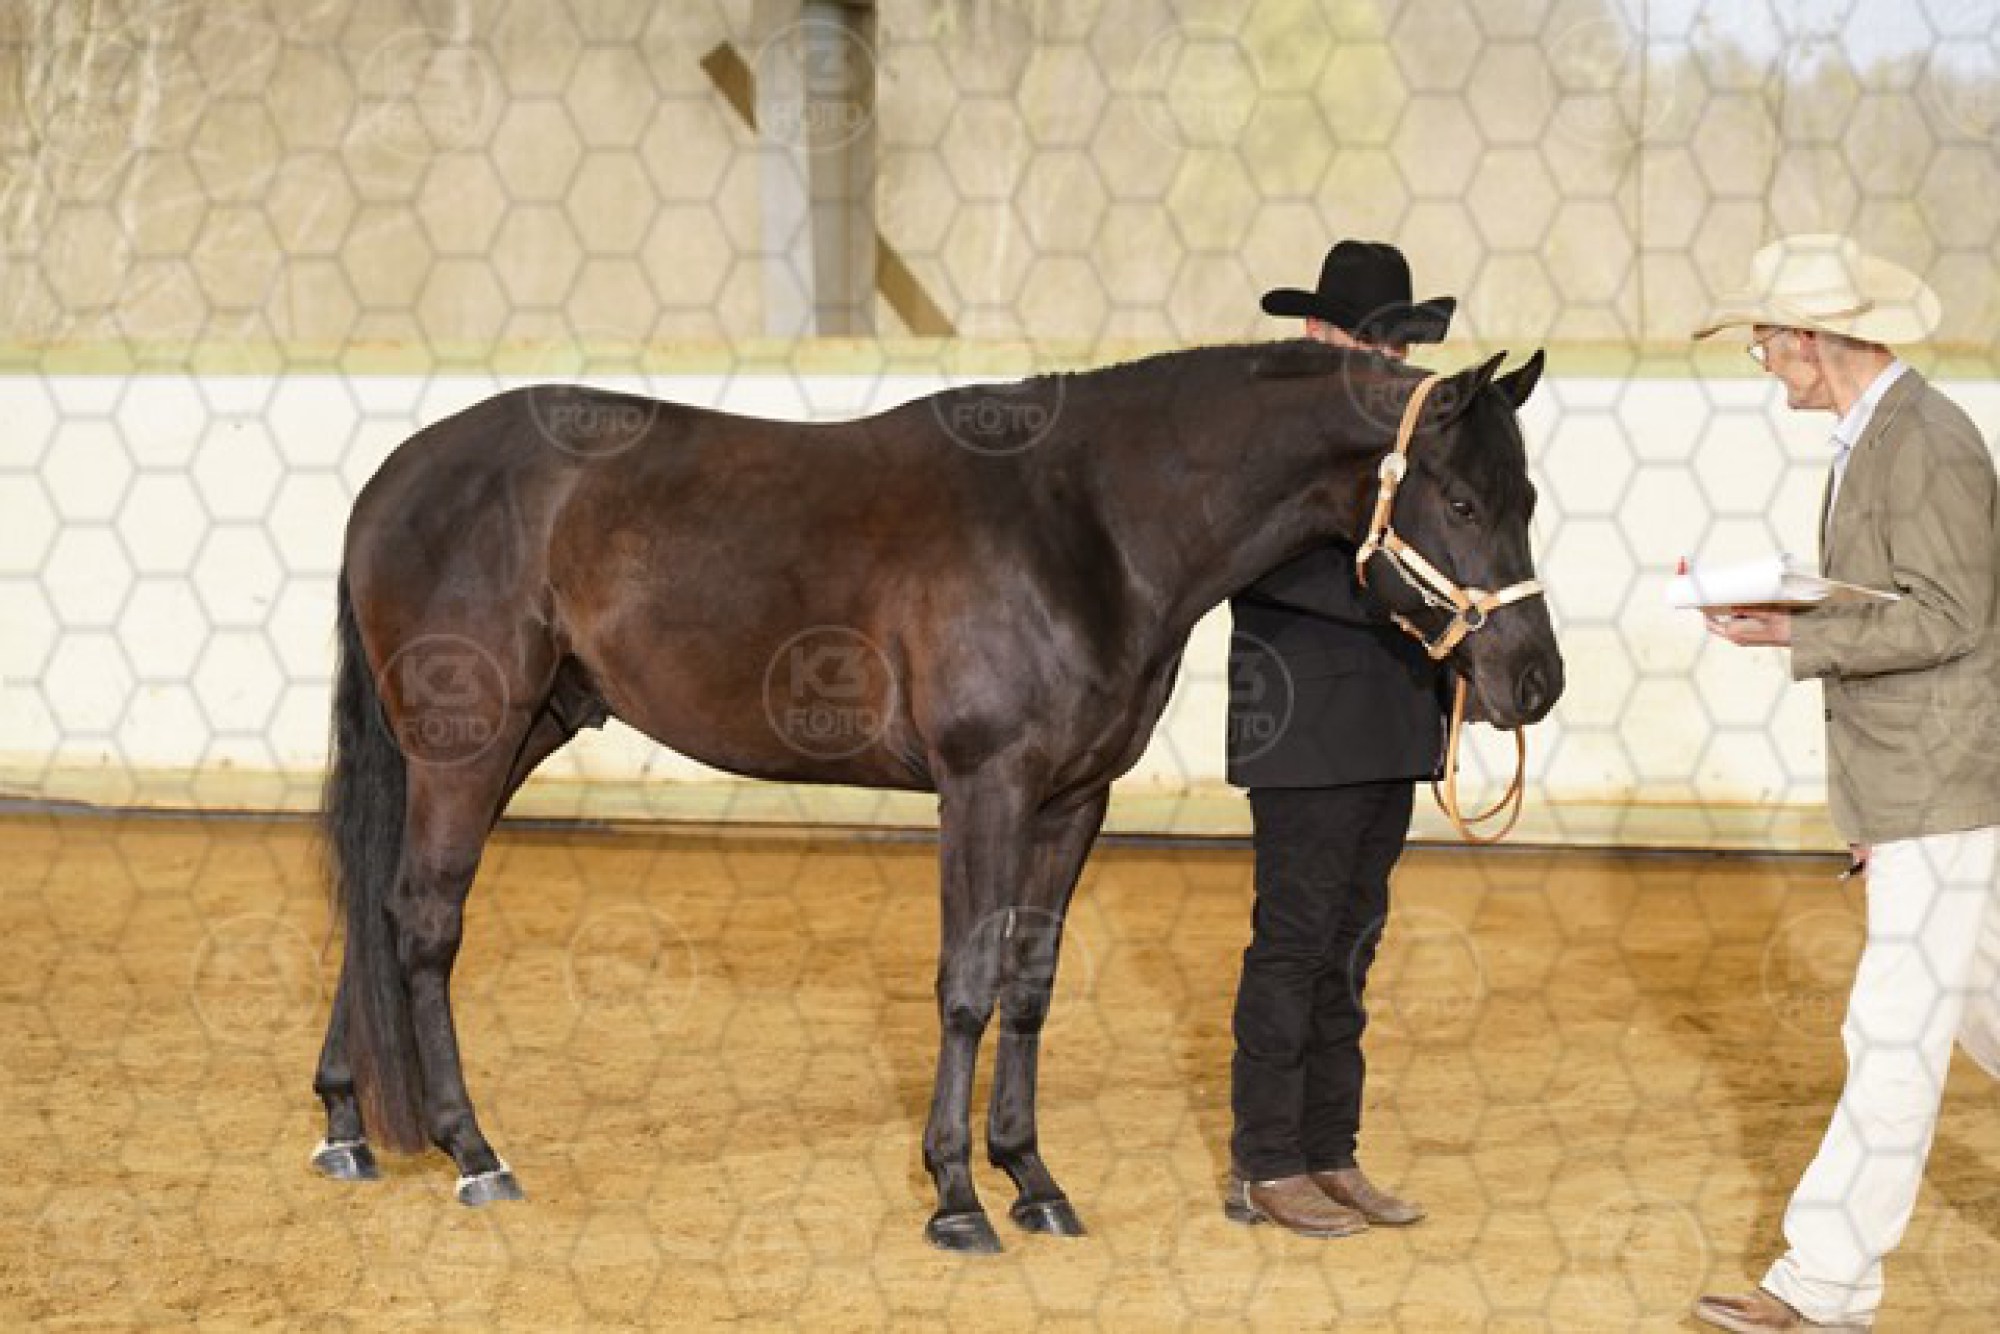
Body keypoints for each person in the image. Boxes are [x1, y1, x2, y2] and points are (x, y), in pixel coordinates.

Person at [1691, 234, 2000, 1331]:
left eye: (1765, 343)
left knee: (1892, 1030)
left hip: (1942, 781)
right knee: (1979, 1008)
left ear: (1815, 339)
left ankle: (1823, 1284)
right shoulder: (1881, 435)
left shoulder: (1927, 441)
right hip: (1925, 783)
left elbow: (1950, 618)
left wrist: (1794, 629)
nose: (1766, 364)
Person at [1221, 240, 1456, 1237]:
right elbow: (1255, 567)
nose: (1385, 359)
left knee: (1350, 950)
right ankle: (1265, 1161)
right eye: (1370, 340)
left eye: (1396, 344)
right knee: (1293, 944)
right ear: (1317, 331)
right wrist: (1404, 601)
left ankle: (1330, 1148)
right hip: (1305, 726)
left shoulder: (1403, 439)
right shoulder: (1266, 438)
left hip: (1391, 717)